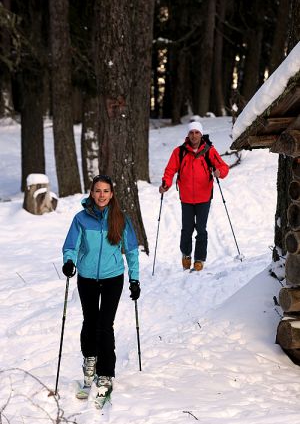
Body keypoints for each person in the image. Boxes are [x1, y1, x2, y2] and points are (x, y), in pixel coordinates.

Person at [62, 174, 140, 404]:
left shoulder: (120, 219)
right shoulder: (80, 219)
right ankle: (89, 360)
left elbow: (132, 251)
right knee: (90, 321)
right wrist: (69, 262)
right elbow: (71, 245)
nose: (101, 195)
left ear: (112, 193)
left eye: (106, 191)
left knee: (105, 325)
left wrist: (134, 280)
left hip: (112, 277)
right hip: (86, 277)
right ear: (91, 193)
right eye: (97, 191)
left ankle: (105, 372)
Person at [159, 121, 229, 271]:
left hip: (204, 197)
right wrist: (166, 183)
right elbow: (170, 170)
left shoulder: (209, 151)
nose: (194, 135)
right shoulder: (179, 152)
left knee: (201, 229)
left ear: (201, 134)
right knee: (187, 229)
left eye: (197, 132)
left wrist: (219, 172)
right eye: (191, 132)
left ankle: (199, 259)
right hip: (186, 198)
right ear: (188, 135)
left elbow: (223, 167)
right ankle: (186, 255)